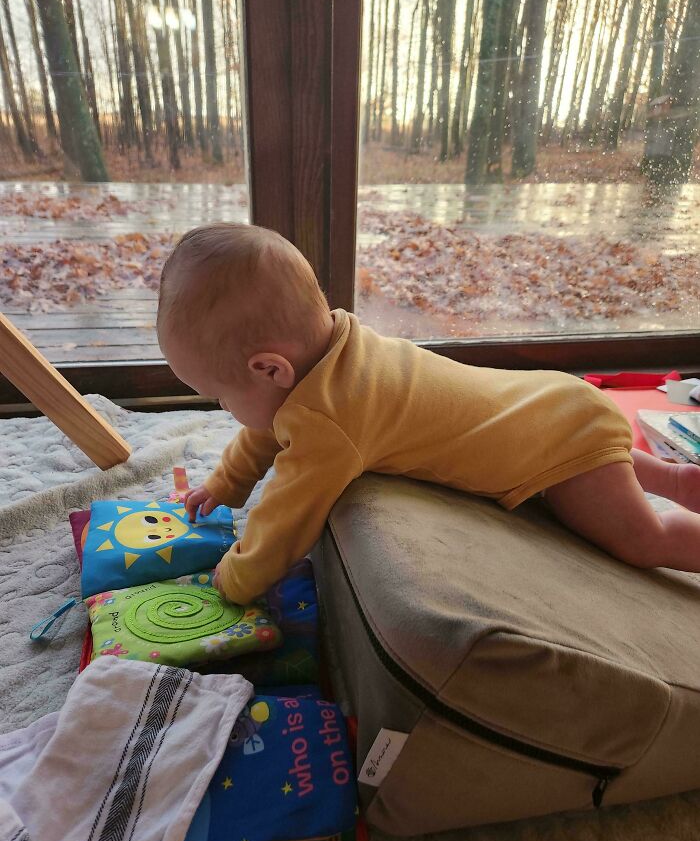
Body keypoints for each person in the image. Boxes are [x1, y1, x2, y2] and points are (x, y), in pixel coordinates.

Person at [156, 223, 700, 605]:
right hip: (552, 407)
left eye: (219, 397)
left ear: (271, 369)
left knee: (642, 539)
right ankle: (675, 478)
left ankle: (674, 510)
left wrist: (237, 576)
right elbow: (267, 429)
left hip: (556, 449)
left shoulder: (330, 421)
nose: (223, 410)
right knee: (607, 459)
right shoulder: (334, 345)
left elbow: (286, 518)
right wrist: (225, 483)